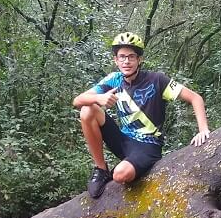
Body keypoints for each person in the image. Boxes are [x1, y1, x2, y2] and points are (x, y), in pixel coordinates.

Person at [73, 32, 211, 199]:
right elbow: (78, 100)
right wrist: (99, 98)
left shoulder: (157, 80)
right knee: (87, 109)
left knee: (119, 175)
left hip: (148, 146)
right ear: (116, 60)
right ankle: (101, 169)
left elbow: (195, 98)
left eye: (131, 56)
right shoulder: (114, 79)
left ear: (139, 60)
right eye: (122, 57)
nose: (126, 61)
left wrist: (203, 129)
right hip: (123, 141)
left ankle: (129, 166)